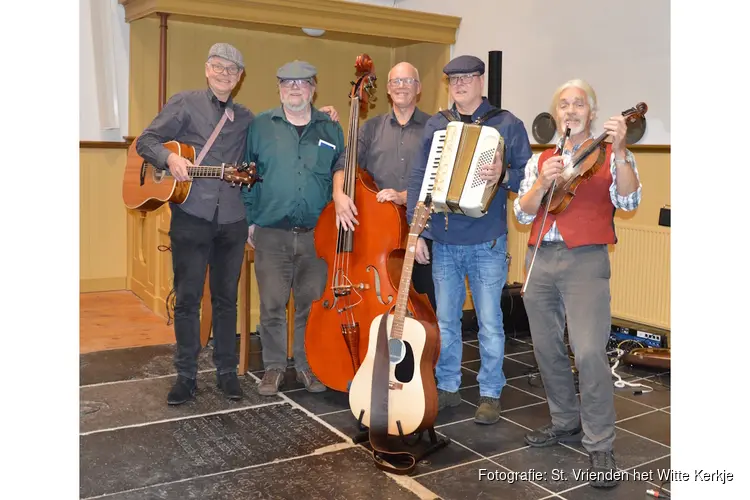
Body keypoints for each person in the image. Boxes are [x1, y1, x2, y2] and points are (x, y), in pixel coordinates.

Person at [513, 79, 642, 488]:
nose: (571, 110)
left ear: (592, 111)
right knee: (547, 348)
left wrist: (620, 152)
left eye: (579, 104)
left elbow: (629, 200)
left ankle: (600, 442)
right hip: (540, 258)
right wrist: (540, 183)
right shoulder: (542, 159)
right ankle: (565, 422)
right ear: (557, 115)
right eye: (564, 104)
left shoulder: (609, 154)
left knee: (587, 351)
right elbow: (521, 212)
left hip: (585, 259)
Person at [406, 55, 532, 425]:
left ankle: (490, 392)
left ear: (480, 81)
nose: (459, 84)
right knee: (446, 321)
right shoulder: (437, 124)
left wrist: (503, 173)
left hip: (487, 240)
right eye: (453, 79)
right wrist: (418, 232)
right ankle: (448, 386)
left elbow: (529, 178)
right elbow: (419, 179)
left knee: (489, 321)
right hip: (444, 237)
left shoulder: (507, 124)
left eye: (467, 78)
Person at [136, 43, 253, 405]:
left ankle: (226, 373)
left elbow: (272, 142)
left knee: (226, 299)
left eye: (232, 70)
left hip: (232, 219)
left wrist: (323, 114)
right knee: (187, 299)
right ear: (207, 69)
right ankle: (185, 376)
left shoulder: (247, 118)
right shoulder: (184, 102)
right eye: (218, 66)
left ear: (239, 78)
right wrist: (170, 158)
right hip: (190, 215)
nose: (224, 74)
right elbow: (146, 141)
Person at [242, 61, 345, 396]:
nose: (295, 88)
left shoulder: (330, 129)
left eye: (302, 83)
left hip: (317, 234)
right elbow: (247, 175)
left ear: (314, 88)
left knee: (310, 305)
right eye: (287, 83)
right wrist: (249, 220)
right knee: (272, 305)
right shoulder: (260, 126)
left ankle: (306, 366)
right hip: (272, 231)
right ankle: (273, 368)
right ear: (279, 88)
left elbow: (340, 172)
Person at [333, 61, 436, 311]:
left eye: (408, 81)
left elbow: (440, 179)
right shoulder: (370, 128)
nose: (401, 87)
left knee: (425, 304)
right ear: (388, 90)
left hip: (422, 227)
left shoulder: (435, 128)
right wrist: (338, 194)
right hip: (378, 233)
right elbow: (344, 164)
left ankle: (423, 351)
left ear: (418, 88)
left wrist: (404, 197)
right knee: (377, 304)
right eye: (396, 82)